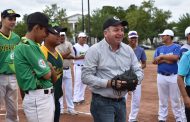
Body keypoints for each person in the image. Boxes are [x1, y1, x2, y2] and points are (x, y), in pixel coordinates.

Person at [81, 16, 143, 122]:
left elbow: (138, 70)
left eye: (122, 30)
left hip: (121, 102)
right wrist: (110, 83)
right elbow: (86, 77)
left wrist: (134, 80)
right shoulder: (95, 50)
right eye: (116, 30)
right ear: (106, 33)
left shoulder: (128, 50)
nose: (120, 33)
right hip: (102, 102)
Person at [14, 12, 57, 122]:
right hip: (38, 98)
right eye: (46, 31)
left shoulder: (29, 44)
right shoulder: (28, 46)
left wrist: (48, 67)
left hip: (40, 97)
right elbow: (47, 75)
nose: (46, 35)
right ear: (37, 28)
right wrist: (50, 67)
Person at [153, 29, 183, 122]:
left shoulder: (177, 46)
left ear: (169, 36)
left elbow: (175, 58)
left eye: (163, 35)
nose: (161, 37)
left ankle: (179, 118)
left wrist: (161, 57)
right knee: (162, 99)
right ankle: (162, 118)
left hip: (173, 76)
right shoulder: (159, 48)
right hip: (161, 76)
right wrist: (167, 60)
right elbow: (154, 61)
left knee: (175, 99)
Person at [0, 9, 20, 122]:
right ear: (2, 19)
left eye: (15, 19)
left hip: (13, 76)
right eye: (10, 19)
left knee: (13, 111)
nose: (13, 22)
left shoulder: (16, 38)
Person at [40, 26, 64, 122]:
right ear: (45, 36)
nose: (59, 36)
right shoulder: (41, 52)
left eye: (59, 34)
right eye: (55, 34)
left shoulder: (57, 52)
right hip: (45, 99)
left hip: (55, 97)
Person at [126, 30, 147, 122]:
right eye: (131, 38)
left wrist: (138, 68)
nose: (133, 39)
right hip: (125, 77)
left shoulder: (141, 50)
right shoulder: (123, 48)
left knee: (136, 99)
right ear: (128, 39)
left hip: (136, 77)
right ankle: (119, 118)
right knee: (122, 98)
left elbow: (144, 64)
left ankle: (132, 118)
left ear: (137, 38)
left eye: (135, 37)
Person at [56, 31, 78, 115]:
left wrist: (64, 55)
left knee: (69, 90)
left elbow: (73, 56)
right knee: (59, 89)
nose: (62, 37)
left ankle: (70, 108)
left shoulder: (68, 44)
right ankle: (60, 108)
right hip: (59, 70)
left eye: (63, 36)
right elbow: (58, 56)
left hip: (68, 69)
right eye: (60, 35)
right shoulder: (56, 44)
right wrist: (67, 53)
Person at [73, 32, 89, 104]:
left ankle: (81, 98)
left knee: (84, 82)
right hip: (78, 66)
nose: (83, 39)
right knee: (77, 82)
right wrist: (81, 57)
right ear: (78, 38)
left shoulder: (87, 46)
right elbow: (72, 57)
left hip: (85, 66)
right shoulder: (75, 47)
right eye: (82, 37)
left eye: (84, 37)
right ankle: (75, 99)